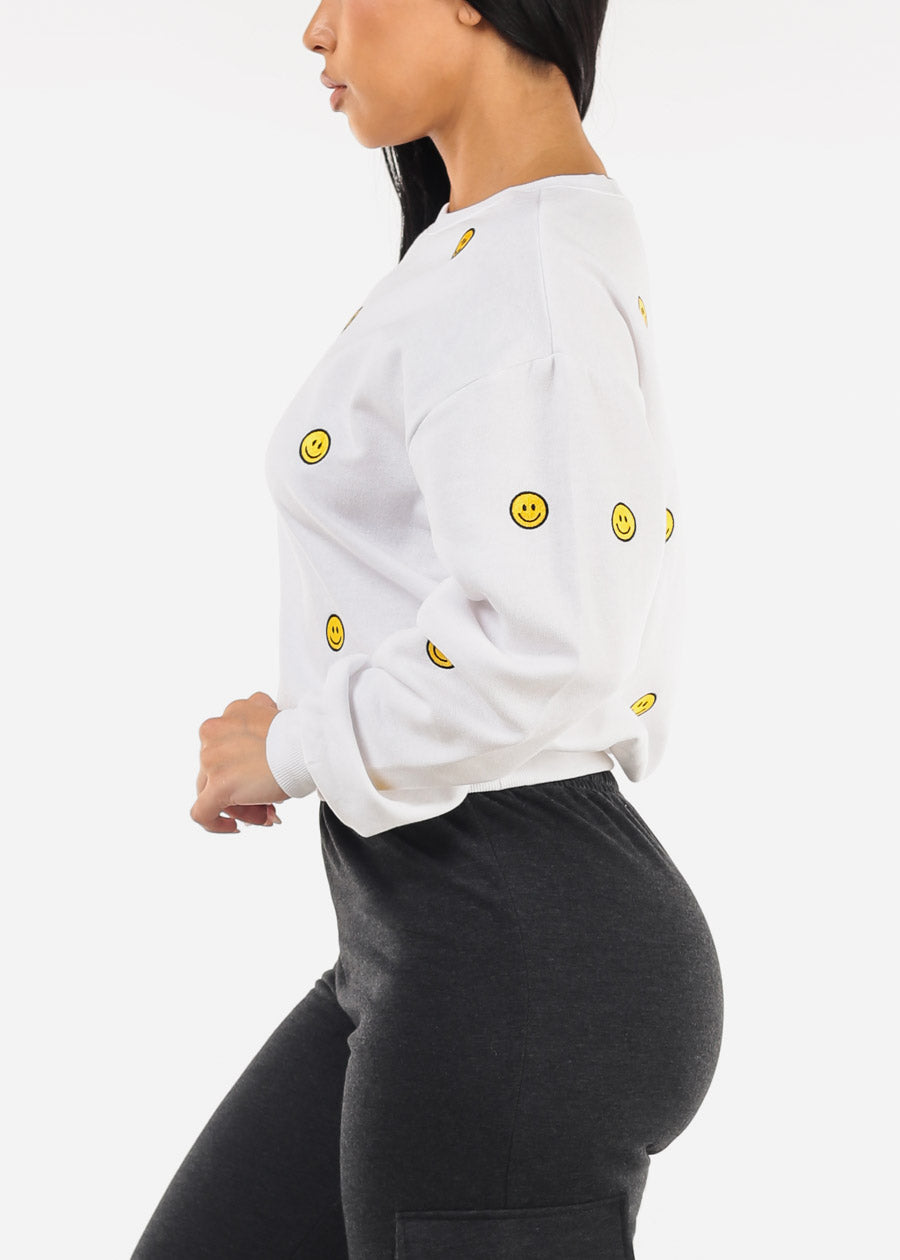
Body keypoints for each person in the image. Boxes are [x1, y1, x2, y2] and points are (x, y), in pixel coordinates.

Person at [130, 1, 724, 1256]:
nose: (315, 30)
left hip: (513, 962)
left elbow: (548, 640)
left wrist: (292, 748)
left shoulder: (532, 269)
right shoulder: (496, 248)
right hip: (436, 945)